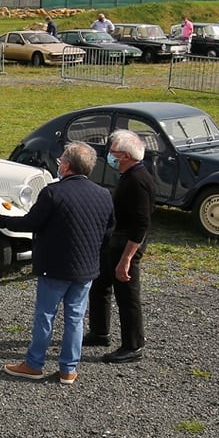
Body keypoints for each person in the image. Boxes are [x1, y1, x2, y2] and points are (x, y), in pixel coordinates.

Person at [0, 142, 113, 384]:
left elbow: (29, 223)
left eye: (61, 160)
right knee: (75, 318)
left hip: (55, 267)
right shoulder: (104, 195)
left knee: (45, 315)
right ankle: (68, 369)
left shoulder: (53, 193)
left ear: (67, 166)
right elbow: (107, 233)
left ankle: (34, 364)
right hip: (86, 269)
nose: (59, 163)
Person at [88, 129, 155, 363]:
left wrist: (126, 259)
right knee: (100, 286)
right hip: (115, 242)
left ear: (125, 156)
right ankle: (99, 331)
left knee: (127, 296)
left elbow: (141, 224)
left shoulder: (138, 181)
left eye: (113, 152)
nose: (109, 155)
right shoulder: (131, 175)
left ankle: (133, 345)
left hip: (126, 246)